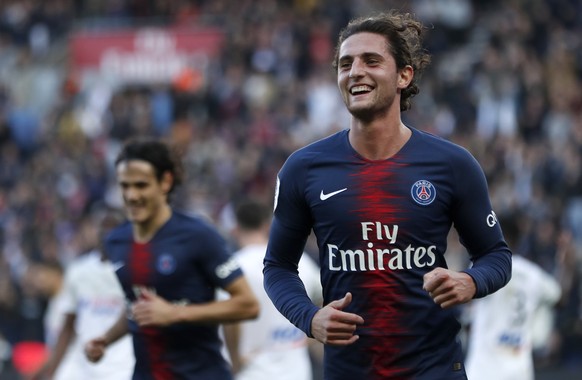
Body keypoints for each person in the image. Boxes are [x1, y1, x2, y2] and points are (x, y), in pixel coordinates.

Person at [263, 10, 512, 380]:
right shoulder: (304, 169)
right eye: (345, 64)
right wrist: (310, 317)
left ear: (404, 76)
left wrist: (471, 281)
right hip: (349, 371)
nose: (355, 71)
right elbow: (278, 267)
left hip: (435, 369)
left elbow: (496, 256)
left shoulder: (452, 164)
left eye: (371, 60)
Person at [84, 137, 260, 379]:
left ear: (165, 182)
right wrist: (106, 339)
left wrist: (176, 313)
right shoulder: (116, 241)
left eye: (141, 185)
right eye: (124, 186)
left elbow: (248, 304)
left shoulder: (198, 234)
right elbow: (136, 306)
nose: (132, 195)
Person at [220, 198, 323, 380]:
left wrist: (235, 361)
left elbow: (230, 318)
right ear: (267, 226)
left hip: (251, 372)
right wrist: (310, 334)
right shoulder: (299, 262)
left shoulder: (233, 267)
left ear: (235, 229)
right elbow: (326, 299)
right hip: (297, 373)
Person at [29, 208, 135, 380]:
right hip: (84, 368)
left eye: (114, 227)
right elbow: (68, 326)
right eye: (103, 227)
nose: (107, 233)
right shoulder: (79, 271)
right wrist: (52, 369)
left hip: (123, 368)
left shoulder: (134, 271)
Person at [464, 216, 562, 380]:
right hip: (519, 371)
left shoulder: (484, 266)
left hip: (485, 370)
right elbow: (558, 296)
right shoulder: (534, 273)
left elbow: (465, 298)